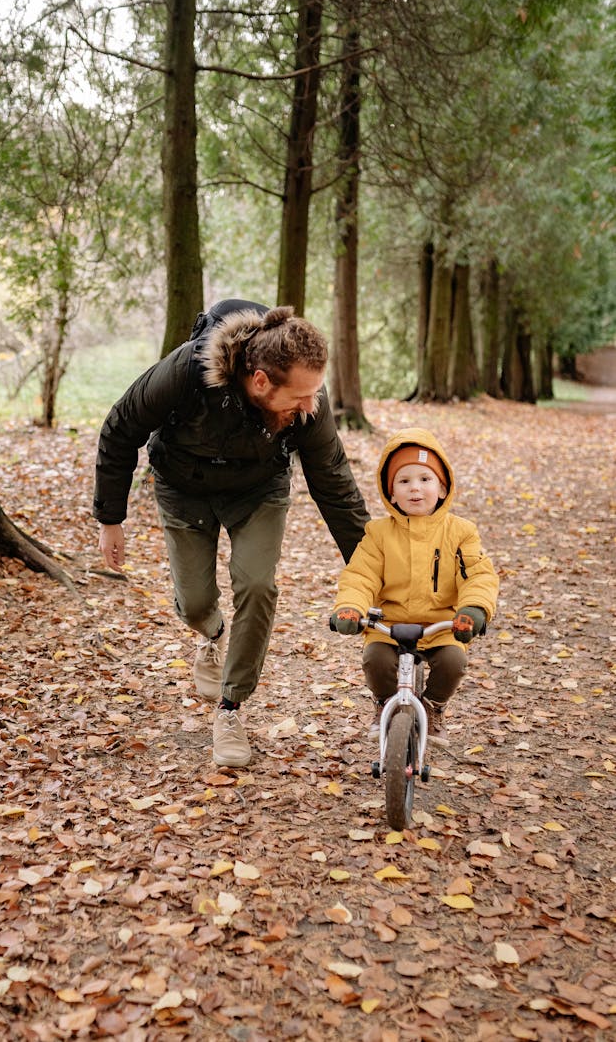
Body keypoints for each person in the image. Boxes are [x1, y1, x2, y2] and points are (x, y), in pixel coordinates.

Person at [94, 303, 370, 768]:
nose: (310, 405)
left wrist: (371, 566)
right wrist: (110, 517)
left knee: (257, 584)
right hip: (184, 489)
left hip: (258, 491)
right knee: (197, 601)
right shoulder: (185, 372)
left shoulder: (309, 405)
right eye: (300, 396)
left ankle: (230, 708)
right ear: (260, 381)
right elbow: (121, 428)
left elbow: (334, 483)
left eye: (314, 394)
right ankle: (211, 630)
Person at [330, 427, 498, 746]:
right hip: (389, 624)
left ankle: (433, 706)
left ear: (443, 487)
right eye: (404, 481)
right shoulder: (378, 534)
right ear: (390, 492)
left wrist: (473, 608)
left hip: (443, 624)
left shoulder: (461, 532)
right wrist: (350, 607)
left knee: (453, 661)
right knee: (375, 660)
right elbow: (360, 575)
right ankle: (384, 703)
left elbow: (478, 574)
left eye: (425, 479)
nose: (415, 489)